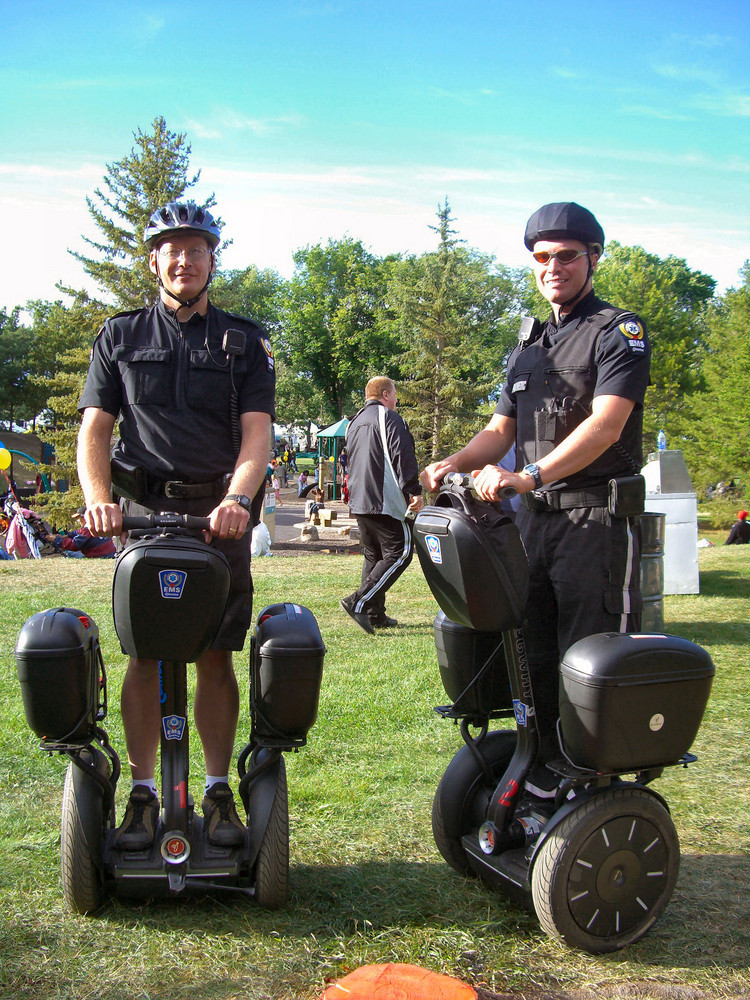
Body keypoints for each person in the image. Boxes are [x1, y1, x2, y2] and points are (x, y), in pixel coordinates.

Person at [422, 202, 651, 789]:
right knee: (531, 652)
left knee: (589, 655)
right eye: (542, 257)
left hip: (595, 519)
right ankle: (544, 768)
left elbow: (606, 425)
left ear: (592, 258)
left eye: (567, 256)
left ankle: (593, 782)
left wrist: (530, 476)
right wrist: (455, 460)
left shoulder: (617, 332)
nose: (553, 266)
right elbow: (501, 430)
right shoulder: (528, 343)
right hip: (534, 525)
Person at [77, 200, 275, 850]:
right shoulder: (121, 337)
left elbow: (256, 437)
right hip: (143, 518)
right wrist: (99, 497)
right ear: (154, 260)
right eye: (172, 249)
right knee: (144, 656)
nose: (184, 260)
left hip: (219, 520)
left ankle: (217, 790)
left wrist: (240, 500)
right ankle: (142, 793)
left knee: (216, 656)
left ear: (212, 259)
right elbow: (95, 431)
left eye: (197, 248)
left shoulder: (243, 343)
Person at [341, 377, 424, 633]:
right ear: (385, 394)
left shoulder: (353, 422)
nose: (397, 401)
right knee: (400, 553)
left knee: (373, 555)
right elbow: (403, 455)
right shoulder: (388, 417)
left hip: (359, 499)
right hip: (384, 499)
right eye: (395, 395)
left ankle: (375, 614)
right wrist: (414, 491)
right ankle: (358, 602)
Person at [45, 512, 116, 558]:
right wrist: (66, 536)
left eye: (80, 518)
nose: (78, 521)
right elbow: (78, 532)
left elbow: (73, 545)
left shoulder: (87, 530)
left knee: (70, 553)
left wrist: (55, 539)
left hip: (101, 556)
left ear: (86, 517)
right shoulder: (97, 525)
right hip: (110, 553)